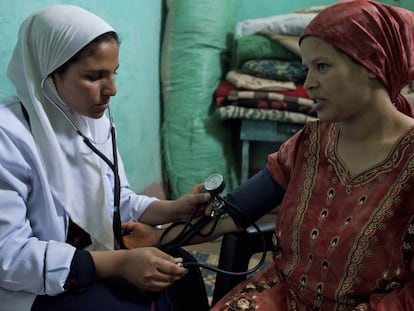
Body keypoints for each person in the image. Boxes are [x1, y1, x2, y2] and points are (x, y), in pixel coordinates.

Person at [135, 0, 414, 310]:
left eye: (322, 66)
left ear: (371, 64)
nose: (308, 84)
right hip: (282, 297)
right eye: (306, 69)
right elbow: (235, 211)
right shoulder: (310, 143)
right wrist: (155, 238)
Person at [0, 4, 211, 311]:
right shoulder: (8, 135)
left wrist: (174, 209)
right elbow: (10, 257)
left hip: (95, 258)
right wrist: (118, 263)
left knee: (184, 271)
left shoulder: (94, 123)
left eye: (113, 73)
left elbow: (116, 199)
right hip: (32, 288)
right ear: (49, 72)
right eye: (95, 76)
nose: (111, 89)